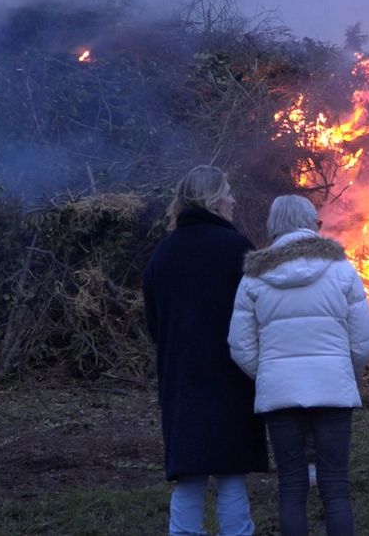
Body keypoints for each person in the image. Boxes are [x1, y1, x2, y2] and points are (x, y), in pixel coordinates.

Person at [229, 195, 369, 536]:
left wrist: (268, 373)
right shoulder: (341, 269)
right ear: (312, 224)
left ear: (274, 226)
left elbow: (240, 344)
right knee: (336, 487)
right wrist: (345, 373)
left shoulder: (254, 275)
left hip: (280, 395)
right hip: (333, 393)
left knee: (292, 488)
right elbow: (363, 339)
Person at [142, 165, 268, 536]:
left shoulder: (162, 254)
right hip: (229, 375)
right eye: (227, 192)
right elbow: (254, 314)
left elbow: (155, 323)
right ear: (213, 201)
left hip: (181, 376)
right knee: (231, 470)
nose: (233, 199)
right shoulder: (235, 248)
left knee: (190, 473)